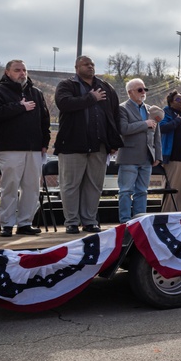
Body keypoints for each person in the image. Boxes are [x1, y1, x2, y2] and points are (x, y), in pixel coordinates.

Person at [53, 57, 123, 234]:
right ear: (76, 67)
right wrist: (91, 97)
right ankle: (72, 222)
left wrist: (113, 142)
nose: (90, 67)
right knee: (70, 185)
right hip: (72, 144)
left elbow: (114, 115)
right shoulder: (67, 85)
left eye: (92, 64)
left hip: (99, 145)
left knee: (94, 185)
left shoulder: (106, 87)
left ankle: (90, 221)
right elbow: (64, 104)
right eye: (86, 64)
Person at [0, 59, 51, 237]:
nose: (22, 73)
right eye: (17, 70)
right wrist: (20, 106)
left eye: (24, 70)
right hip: (10, 148)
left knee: (32, 187)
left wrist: (44, 143)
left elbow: (44, 120)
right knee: (10, 186)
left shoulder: (36, 93)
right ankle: (7, 224)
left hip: (34, 148)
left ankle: (25, 223)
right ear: (7, 72)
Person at [117, 78, 162, 223]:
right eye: (140, 90)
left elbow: (157, 135)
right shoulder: (122, 108)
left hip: (147, 158)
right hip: (129, 157)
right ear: (130, 92)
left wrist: (157, 155)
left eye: (145, 89)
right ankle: (125, 221)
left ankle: (139, 222)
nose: (143, 92)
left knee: (142, 191)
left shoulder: (150, 109)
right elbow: (124, 129)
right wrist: (144, 124)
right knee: (125, 191)